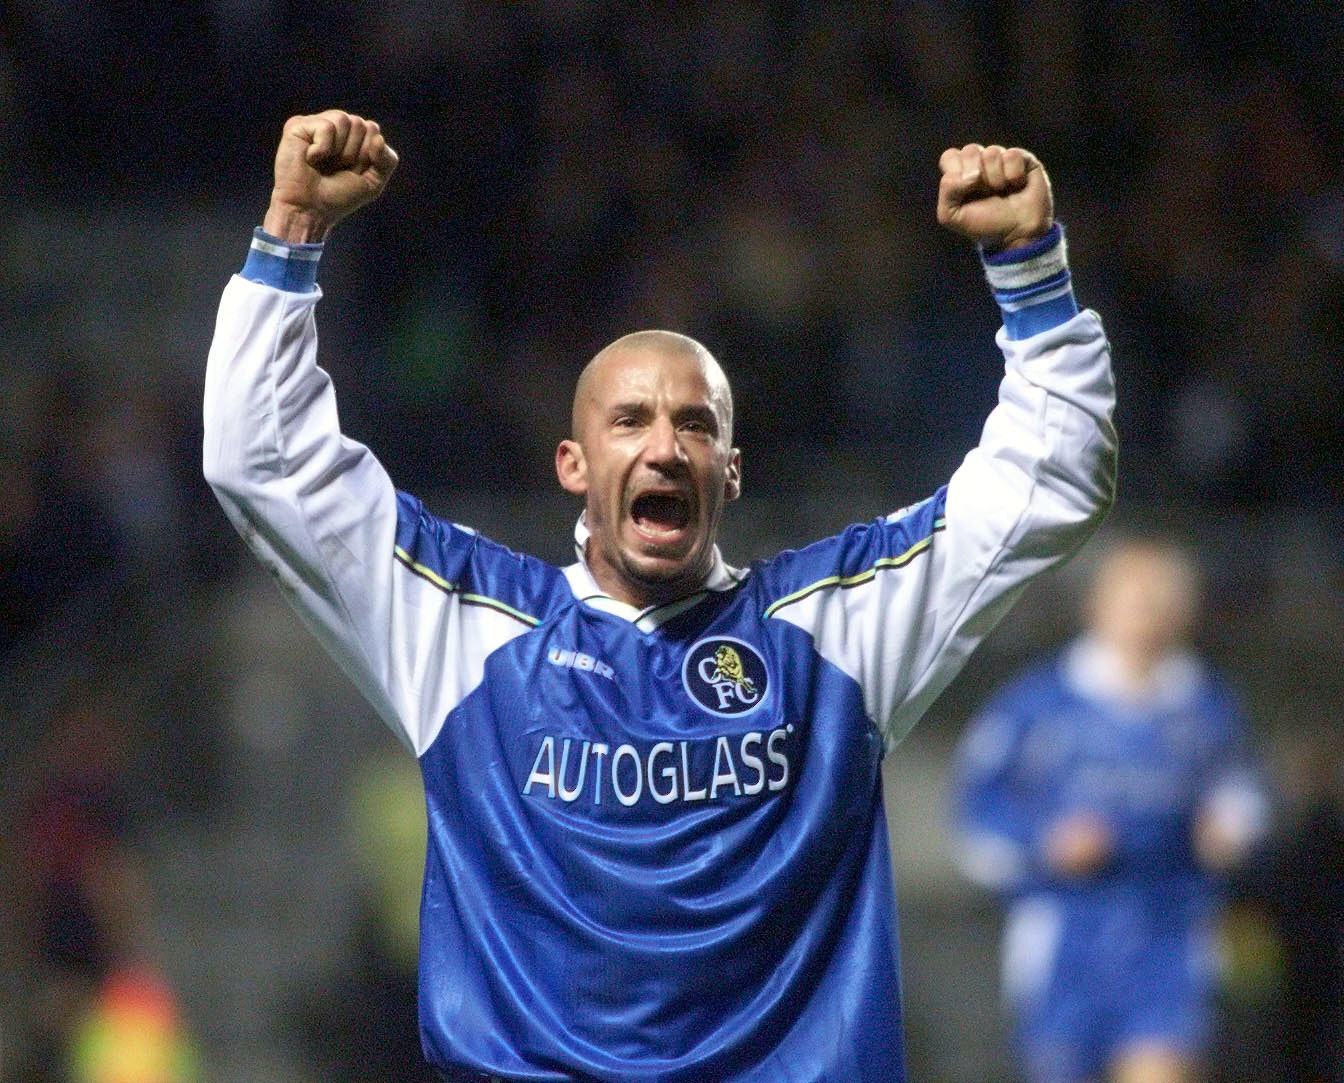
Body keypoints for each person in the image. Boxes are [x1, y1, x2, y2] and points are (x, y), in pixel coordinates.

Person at [204, 110, 1116, 1082]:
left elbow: (1051, 477)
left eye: (694, 424)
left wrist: (1031, 269)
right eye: (630, 418)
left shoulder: (832, 629)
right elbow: (262, 461)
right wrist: (291, 231)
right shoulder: (464, 624)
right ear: (573, 463)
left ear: (729, 472)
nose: (664, 445)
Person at [950, 538, 1269, 1083]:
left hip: (1167, 936)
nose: (1147, 613)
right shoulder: (1038, 705)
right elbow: (974, 817)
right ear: (1095, 604)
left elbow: (1245, 791)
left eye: (1161, 600)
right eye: (1134, 598)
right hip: (1064, 941)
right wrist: (1044, 845)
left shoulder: (1205, 706)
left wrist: (1231, 828)